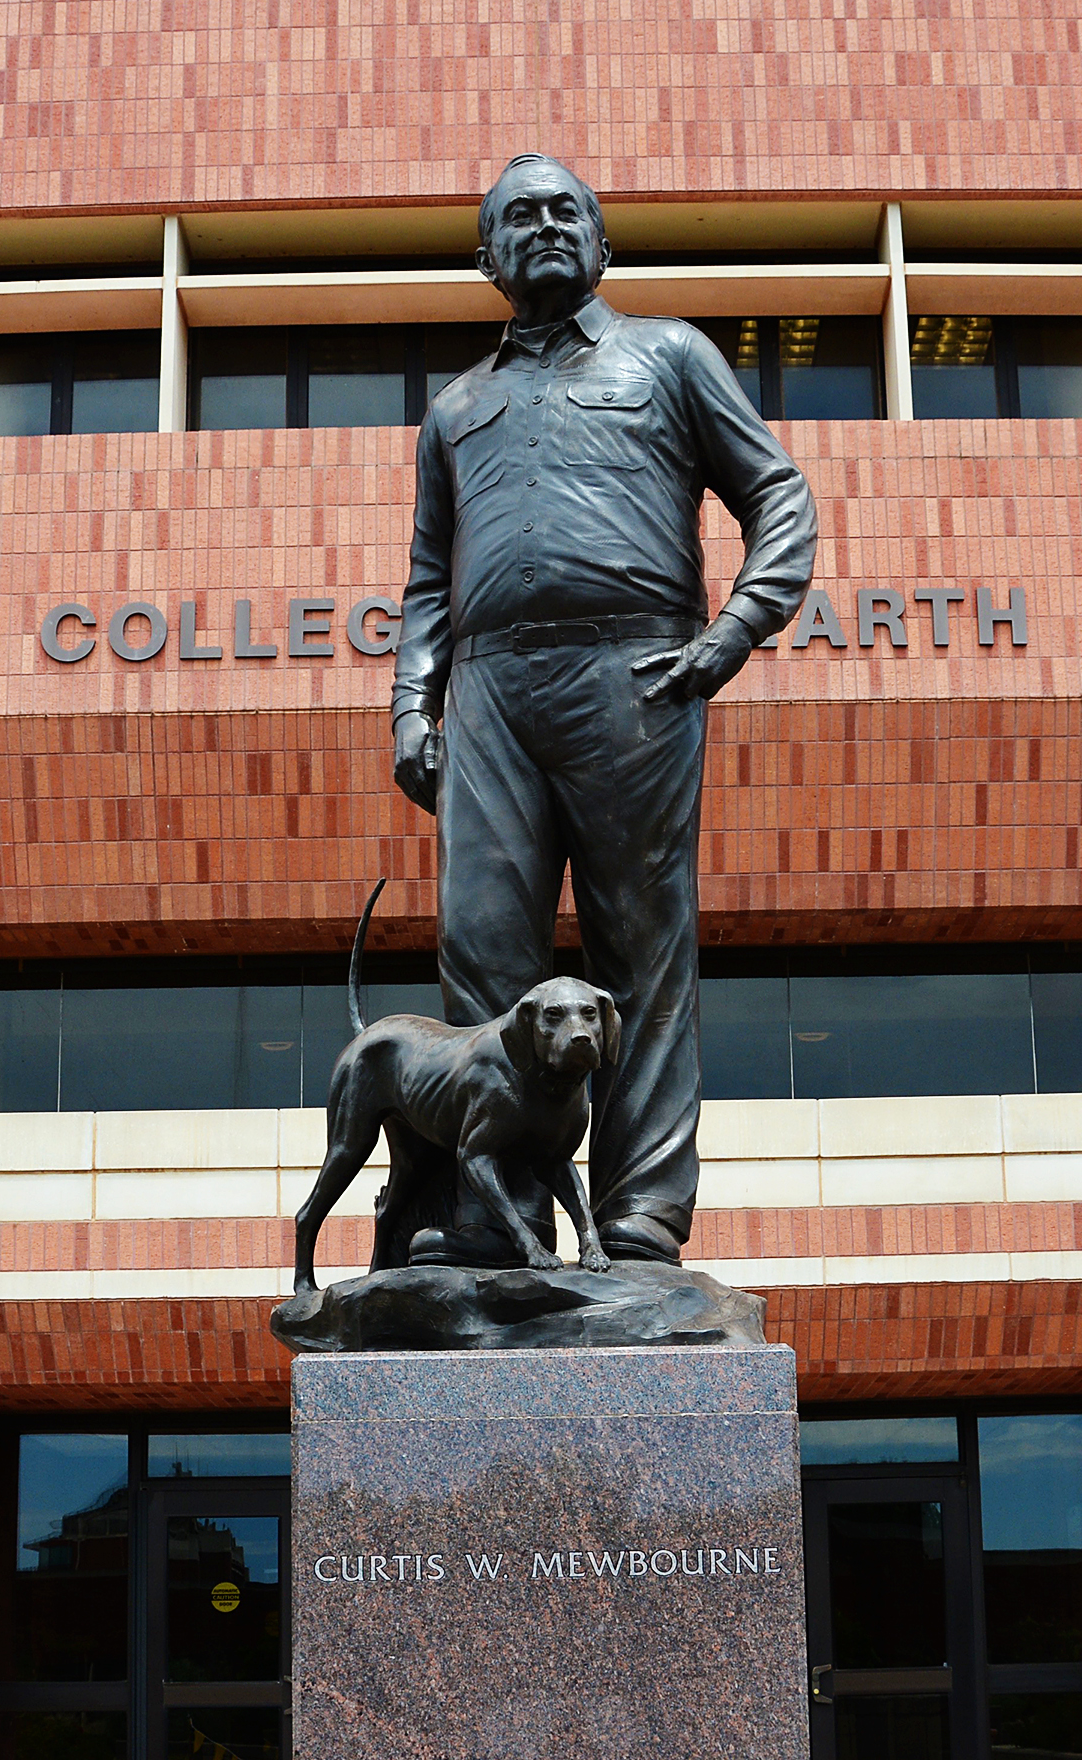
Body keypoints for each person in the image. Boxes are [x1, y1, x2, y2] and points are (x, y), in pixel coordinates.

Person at [388, 153, 817, 1267]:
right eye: (518, 217)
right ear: (486, 256)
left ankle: (640, 1214)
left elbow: (776, 491)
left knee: (642, 951)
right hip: (487, 689)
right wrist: (409, 707)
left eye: (565, 211)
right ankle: (500, 1213)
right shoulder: (455, 408)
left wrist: (731, 633)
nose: (545, 227)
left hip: (636, 674)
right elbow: (430, 578)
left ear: (602, 241)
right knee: (481, 954)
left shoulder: (668, 355)